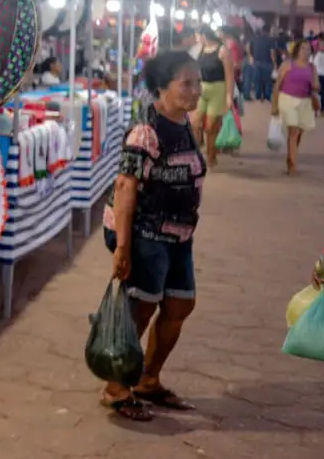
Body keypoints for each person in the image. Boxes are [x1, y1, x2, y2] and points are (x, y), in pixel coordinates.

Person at [100, 50, 205, 421]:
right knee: (141, 307)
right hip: (145, 233)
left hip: (179, 235)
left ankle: (149, 380)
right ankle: (116, 389)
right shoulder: (146, 130)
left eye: (198, 83)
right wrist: (123, 248)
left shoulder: (185, 124)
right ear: (162, 87)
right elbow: (126, 187)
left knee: (179, 305)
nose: (196, 91)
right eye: (186, 83)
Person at [271, 40, 321, 175]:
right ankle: (293, 166)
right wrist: (274, 105)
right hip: (287, 100)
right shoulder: (288, 65)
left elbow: (317, 86)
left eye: (309, 49)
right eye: (303, 49)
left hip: (305, 102)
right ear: (297, 50)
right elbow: (277, 85)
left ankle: (290, 157)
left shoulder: (312, 67)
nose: (306, 52)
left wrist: (315, 86)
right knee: (293, 132)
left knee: (298, 134)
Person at [194, 27, 234, 166]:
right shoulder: (200, 50)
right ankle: (198, 151)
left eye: (197, 35)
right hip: (201, 88)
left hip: (218, 89)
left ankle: (212, 157)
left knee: (211, 126)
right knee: (195, 123)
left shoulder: (222, 51)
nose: (196, 39)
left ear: (204, 35)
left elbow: (229, 75)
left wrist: (229, 95)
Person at [248, 29, 276, 102]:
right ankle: (267, 96)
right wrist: (275, 63)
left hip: (257, 62)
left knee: (257, 80)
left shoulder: (254, 40)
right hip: (267, 62)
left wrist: (251, 58)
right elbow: (272, 53)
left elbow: (249, 48)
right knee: (268, 81)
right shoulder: (270, 40)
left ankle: (258, 95)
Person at [314, 36, 324, 113]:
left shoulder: (317, 55)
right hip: (321, 75)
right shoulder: (317, 55)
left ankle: (318, 110)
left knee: (319, 93)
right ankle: (319, 110)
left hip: (321, 75)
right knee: (321, 93)